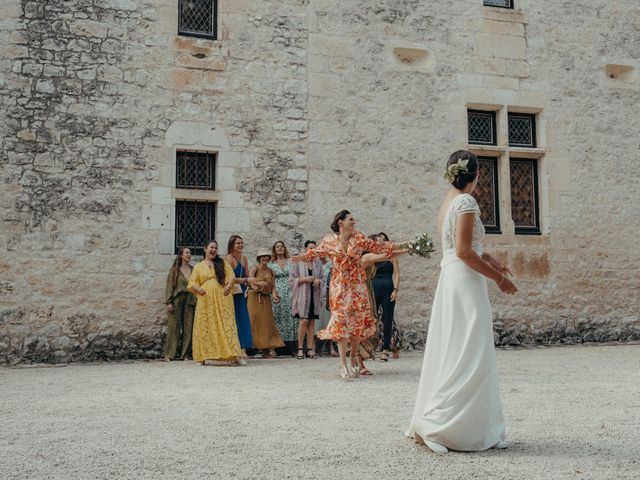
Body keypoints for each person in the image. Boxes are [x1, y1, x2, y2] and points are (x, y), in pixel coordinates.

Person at [406, 150, 517, 454]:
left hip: (452, 279)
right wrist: (500, 280)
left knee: (455, 348)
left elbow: (465, 247)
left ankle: (467, 426)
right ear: (477, 174)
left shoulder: (448, 201)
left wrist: (493, 261)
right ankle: (444, 427)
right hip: (465, 282)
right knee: (470, 350)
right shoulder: (466, 202)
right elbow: (464, 251)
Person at [293, 210, 404, 379]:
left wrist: (406, 246)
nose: (354, 222)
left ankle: (353, 358)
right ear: (340, 222)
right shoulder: (329, 240)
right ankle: (343, 364)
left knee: (357, 322)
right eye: (351, 219)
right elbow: (316, 252)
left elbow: (380, 247)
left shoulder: (358, 238)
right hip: (339, 286)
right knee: (341, 322)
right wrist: (300, 257)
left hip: (357, 285)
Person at [187, 240, 244, 366]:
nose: (214, 250)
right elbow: (192, 282)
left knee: (227, 324)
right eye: (211, 247)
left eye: (216, 248)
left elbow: (231, 277)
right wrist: (198, 288)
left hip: (222, 298)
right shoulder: (199, 266)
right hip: (205, 298)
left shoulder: (222, 263)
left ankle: (235, 355)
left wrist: (229, 286)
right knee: (205, 324)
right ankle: (202, 356)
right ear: (205, 249)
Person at [247, 250, 285, 357]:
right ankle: (250, 347)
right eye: (262, 256)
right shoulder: (255, 269)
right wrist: (259, 283)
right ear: (259, 258)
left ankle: (266, 348)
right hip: (254, 297)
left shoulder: (271, 271)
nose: (265, 258)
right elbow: (250, 280)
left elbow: (273, 286)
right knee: (253, 320)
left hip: (265, 298)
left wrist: (274, 296)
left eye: (267, 257)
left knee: (266, 322)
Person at [290, 240, 324, 359]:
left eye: (314, 249)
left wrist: (318, 281)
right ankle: (300, 348)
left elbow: (322, 278)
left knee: (312, 322)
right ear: (305, 249)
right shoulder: (298, 262)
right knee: (303, 321)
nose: (312, 251)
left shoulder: (318, 262)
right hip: (302, 296)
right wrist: (305, 279)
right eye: (310, 248)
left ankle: (310, 349)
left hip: (314, 295)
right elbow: (291, 280)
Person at [372, 232, 402, 362]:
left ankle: (385, 350)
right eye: (380, 240)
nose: (382, 242)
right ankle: (369, 348)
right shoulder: (373, 255)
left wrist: (395, 290)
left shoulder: (392, 255)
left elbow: (396, 274)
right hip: (374, 288)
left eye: (384, 240)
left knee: (387, 319)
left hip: (388, 288)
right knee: (372, 318)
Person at [163, 247, 197, 361]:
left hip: (190, 300)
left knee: (189, 327)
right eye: (187, 252)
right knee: (174, 327)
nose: (189, 254)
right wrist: (169, 302)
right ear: (181, 255)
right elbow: (169, 286)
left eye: (190, 253)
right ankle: (170, 354)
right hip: (177, 300)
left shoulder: (193, 270)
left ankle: (185, 354)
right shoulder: (174, 270)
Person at [225, 235, 254, 358]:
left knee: (242, 320)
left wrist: (253, 284)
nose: (241, 245)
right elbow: (230, 279)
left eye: (242, 243)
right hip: (231, 294)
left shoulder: (244, 258)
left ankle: (243, 348)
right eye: (238, 243)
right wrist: (246, 279)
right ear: (232, 246)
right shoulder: (228, 259)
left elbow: (246, 275)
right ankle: (234, 347)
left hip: (241, 293)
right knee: (234, 320)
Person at [268, 241, 297, 356]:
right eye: (277, 247)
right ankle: (274, 346)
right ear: (274, 250)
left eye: (281, 246)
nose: (280, 248)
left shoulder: (291, 262)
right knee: (277, 317)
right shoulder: (271, 264)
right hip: (277, 292)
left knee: (291, 318)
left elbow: (296, 276)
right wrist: (273, 292)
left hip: (290, 292)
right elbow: (270, 280)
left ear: (284, 249)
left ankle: (292, 346)